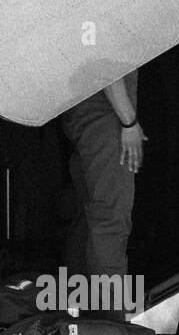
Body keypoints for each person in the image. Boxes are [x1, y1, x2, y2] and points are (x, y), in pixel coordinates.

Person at [61, 72, 146, 321]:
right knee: (111, 220)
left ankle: (80, 318)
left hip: (87, 111)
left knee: (88, 221)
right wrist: (129, 121)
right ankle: (111, 324)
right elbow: (106, 62)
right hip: (108, 115)